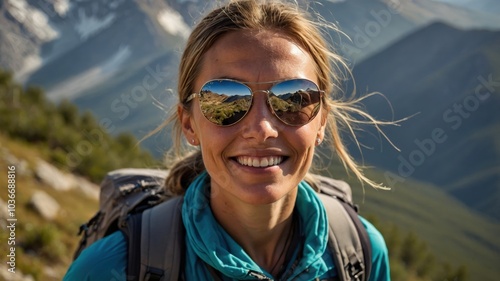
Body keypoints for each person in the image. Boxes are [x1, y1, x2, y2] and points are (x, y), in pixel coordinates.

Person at [64, 0, 391, 280]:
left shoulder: (360, 253)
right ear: (189, 123)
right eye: (226, 99)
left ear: (321, 121)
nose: (262, 128)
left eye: (293, 99)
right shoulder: (111, 268)